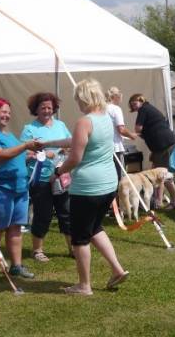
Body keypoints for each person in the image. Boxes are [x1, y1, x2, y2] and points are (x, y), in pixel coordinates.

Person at [47, 79, 129, 295]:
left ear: (83, 98)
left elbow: (74, 157)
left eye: (77, 99)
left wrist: (58, 172)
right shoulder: (106, 118)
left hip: (88, 188)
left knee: (80, 237)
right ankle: (117, 269)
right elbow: (75, 141)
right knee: (94, 228)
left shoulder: (85, 121)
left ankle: (84, 285)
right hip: (108, 184)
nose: (77, 103)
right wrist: (47, 144)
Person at [0, 98, 41, 282]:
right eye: (3, 112)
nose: (7, 115)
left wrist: (30, 155)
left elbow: (15, 156)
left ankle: (16, 266)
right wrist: (25, 145)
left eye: (9, 112)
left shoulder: (10, 135)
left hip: (19, 189)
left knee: (15, 228)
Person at [20, 92, 72, 262]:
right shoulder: (29, 129)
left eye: (50, 108)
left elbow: (70, 143)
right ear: (36, 109)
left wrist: (66, 150)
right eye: (43, 108)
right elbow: (23, 153)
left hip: (60, 177)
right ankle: (37, 250)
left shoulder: (61, 125)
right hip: (40, 179)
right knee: (43, 214)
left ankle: (73, 248)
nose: (47, 111)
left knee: (66, 212)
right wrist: (41, 154)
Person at [128, 93, 175, 210]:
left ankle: (169, 202)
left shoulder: (144, 109)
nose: (134, 107)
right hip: (162, 145)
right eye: (132, 105)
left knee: (163, 176)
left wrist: (132, 134)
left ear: (141, 101)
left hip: (163, 146)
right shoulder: (149, 108)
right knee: (160, 174)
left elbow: (138, 129)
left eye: (135, 104)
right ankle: (162, 201)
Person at [105, 87, 138, 180]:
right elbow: (121, 129)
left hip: (103, 147)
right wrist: (131, 135)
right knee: (117, 177)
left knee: (107, 176)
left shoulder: (100, 108)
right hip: (115, 147)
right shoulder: (116, 109)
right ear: (116, 97)